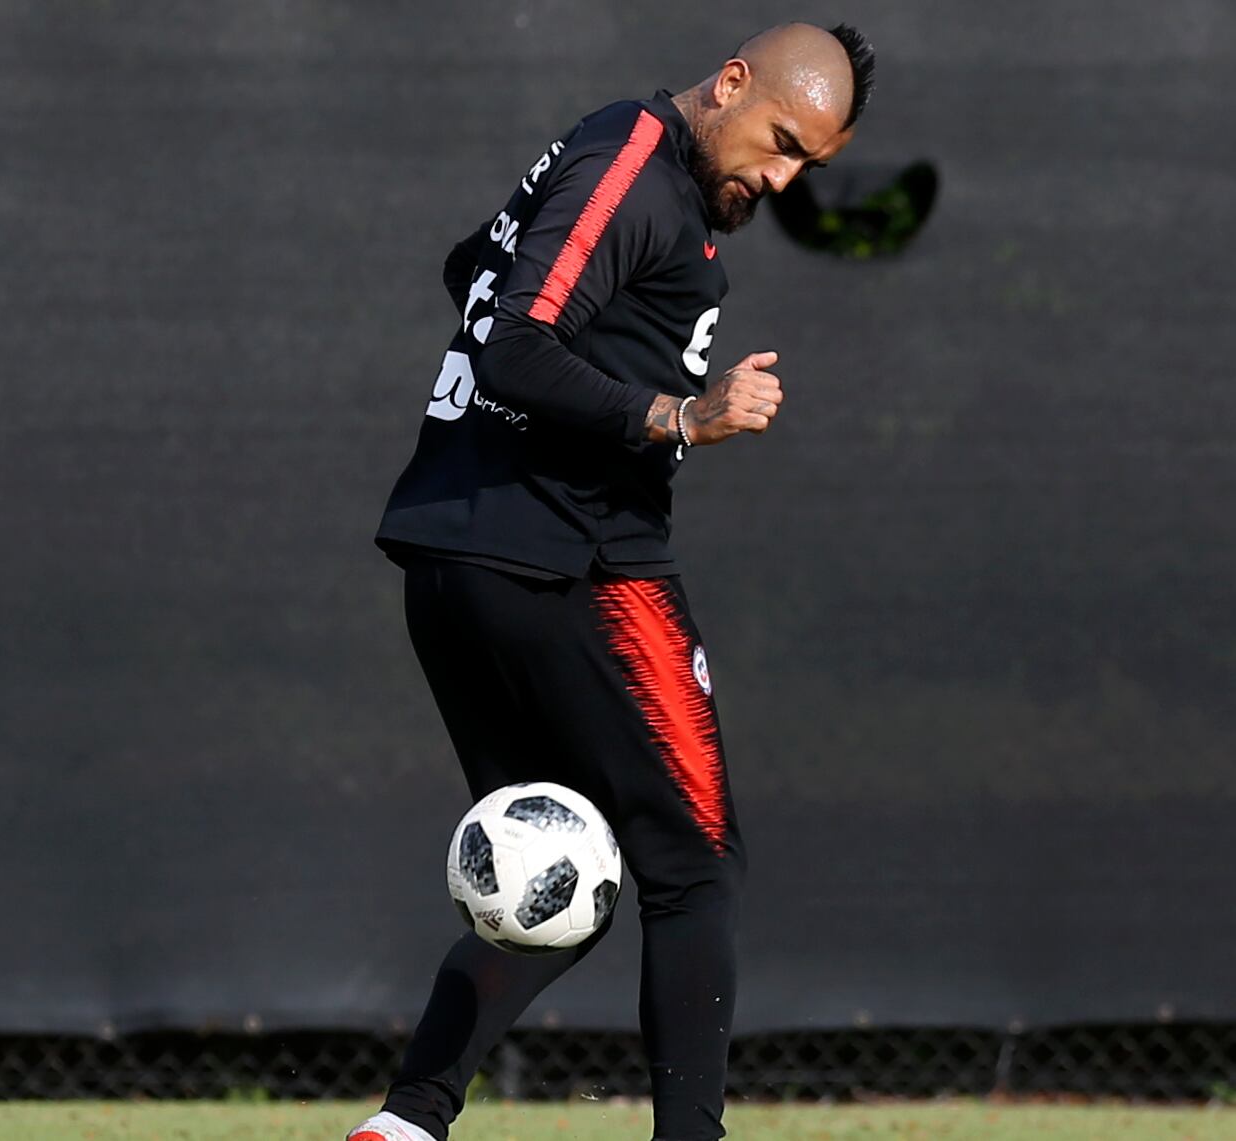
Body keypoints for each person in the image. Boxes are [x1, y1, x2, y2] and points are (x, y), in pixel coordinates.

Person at [357, 22, 875, 1141]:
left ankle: (405, 1124)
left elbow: (473, 271)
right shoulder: (630, 165)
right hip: (566, 560)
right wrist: (675, 415)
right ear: (731, 80)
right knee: (693, 868)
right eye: (779, 141)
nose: (779, 180)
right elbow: (509, 340)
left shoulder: (620, 168)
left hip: (460, 562)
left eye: (807, 168)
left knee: (556, 876)